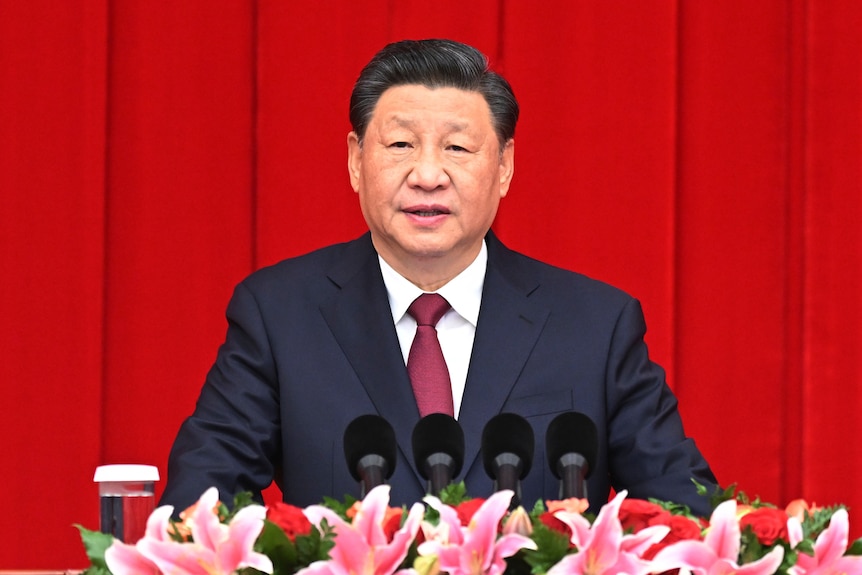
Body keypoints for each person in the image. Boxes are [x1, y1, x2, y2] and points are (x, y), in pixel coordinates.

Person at [160, 38, 717, 517]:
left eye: (457, 147)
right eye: (400, 144)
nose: (427, 175)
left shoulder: (596, 326)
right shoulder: (280, 315)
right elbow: (201, 503)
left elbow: (685, 515)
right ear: (356, 160)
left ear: (503, 167)